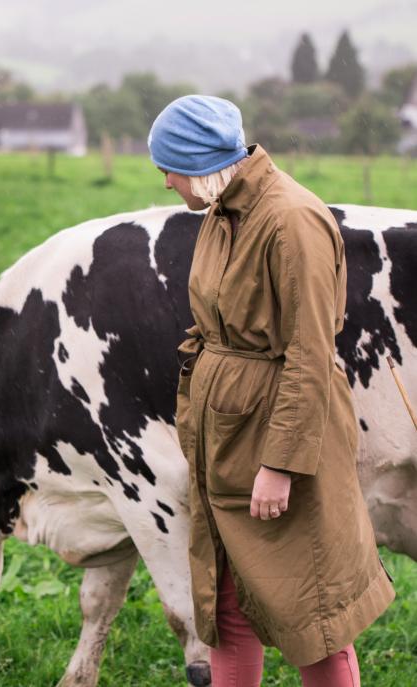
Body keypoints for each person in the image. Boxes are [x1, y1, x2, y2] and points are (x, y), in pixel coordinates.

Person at [149, 95, 395, 687]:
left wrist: (280, 465)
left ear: (203, 162)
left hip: (281, 442)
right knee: (227, 607)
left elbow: (309, 355)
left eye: (172, 168)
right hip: (227, 442)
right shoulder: (222, 213)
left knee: (314, 613)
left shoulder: (291, 221)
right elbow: (210, 323)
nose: (165, 183)